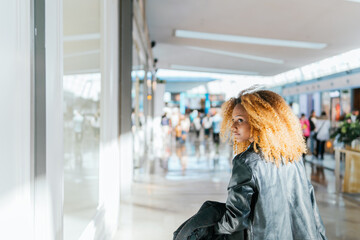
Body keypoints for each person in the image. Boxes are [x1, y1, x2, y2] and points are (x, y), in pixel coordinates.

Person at [174, 88, 327, 240]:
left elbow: (235, 219)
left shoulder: (246, 162)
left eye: (240, 120)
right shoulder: (293, 156)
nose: (233, 126)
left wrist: (209, 229)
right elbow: (311, 205)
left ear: (260, 121)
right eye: (233, 120)